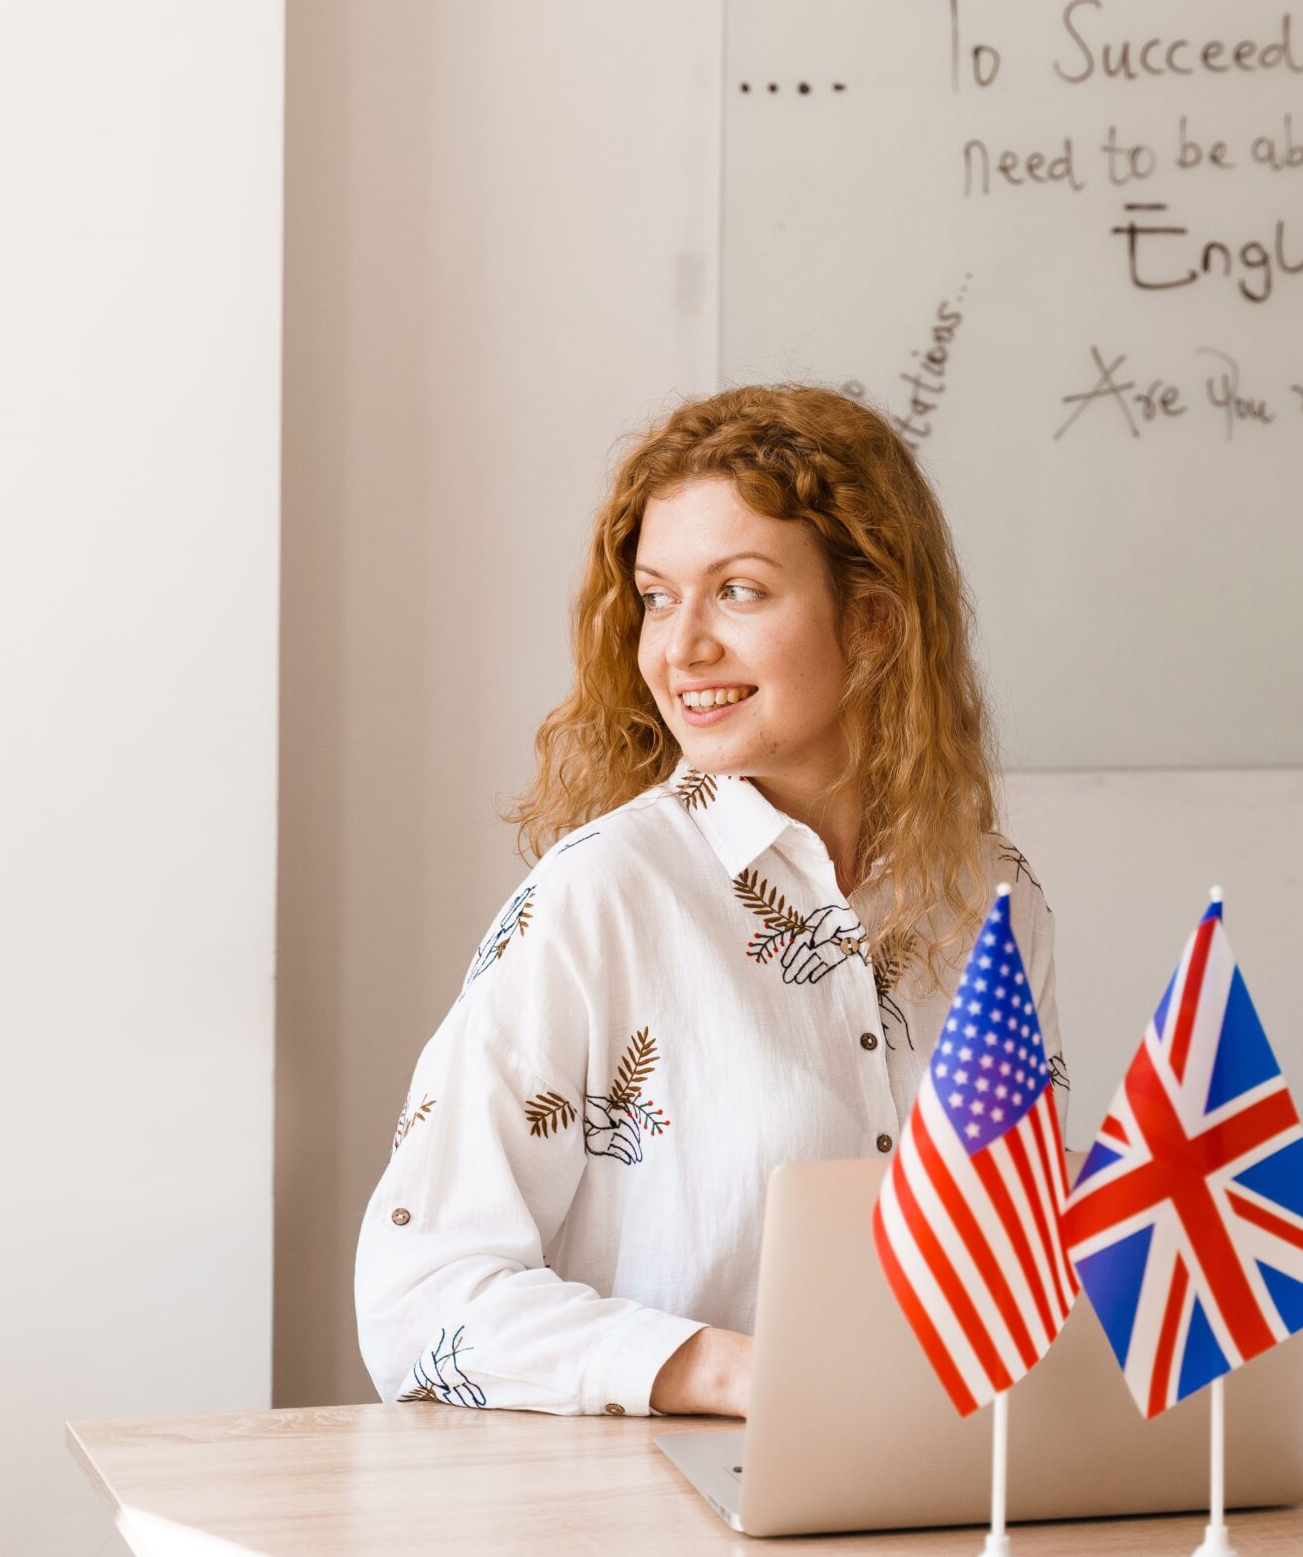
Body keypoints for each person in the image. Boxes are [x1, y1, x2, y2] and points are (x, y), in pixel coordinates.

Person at [355, 385, 1062, 1416]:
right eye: (654, 596)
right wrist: (735, 1372)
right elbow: (419, 1304)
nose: (678, 648)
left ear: (870, 620)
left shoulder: (991, 896)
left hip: (930, 1483)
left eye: (736, 591)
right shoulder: (599, 894)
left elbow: (1000, 1255)